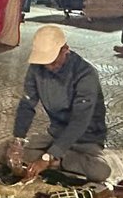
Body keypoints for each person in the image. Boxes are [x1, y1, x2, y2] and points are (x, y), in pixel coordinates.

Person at [7, 24, 108, 181]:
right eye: (45, 62)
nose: (49, 67)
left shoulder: (86, 74)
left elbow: (79, 122)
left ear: (65, 49)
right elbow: (27, 105)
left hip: (85, 139)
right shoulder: (37, 69)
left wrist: (47, 157)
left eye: (53, 61)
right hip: (55, 134)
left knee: (100, 171)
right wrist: (18, 141)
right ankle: (56, 160)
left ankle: (56, 160)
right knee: (3, 152)